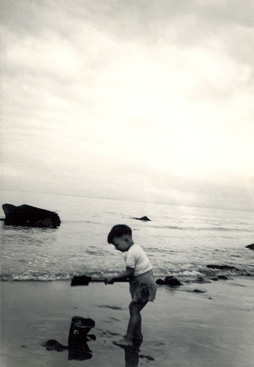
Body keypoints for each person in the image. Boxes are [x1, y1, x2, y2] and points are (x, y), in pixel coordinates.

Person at [105, 224, 157, 347]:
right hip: (145, 281)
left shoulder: (131, 253)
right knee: (135, 309)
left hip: (144, 283)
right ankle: (137, 336)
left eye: (116, 245)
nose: (116, 249)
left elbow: (129, 272)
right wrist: (117, 278)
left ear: (126, 240)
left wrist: (114, 277)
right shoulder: (136, 248)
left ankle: (128, 339)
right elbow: (134, 273)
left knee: (134, 309)